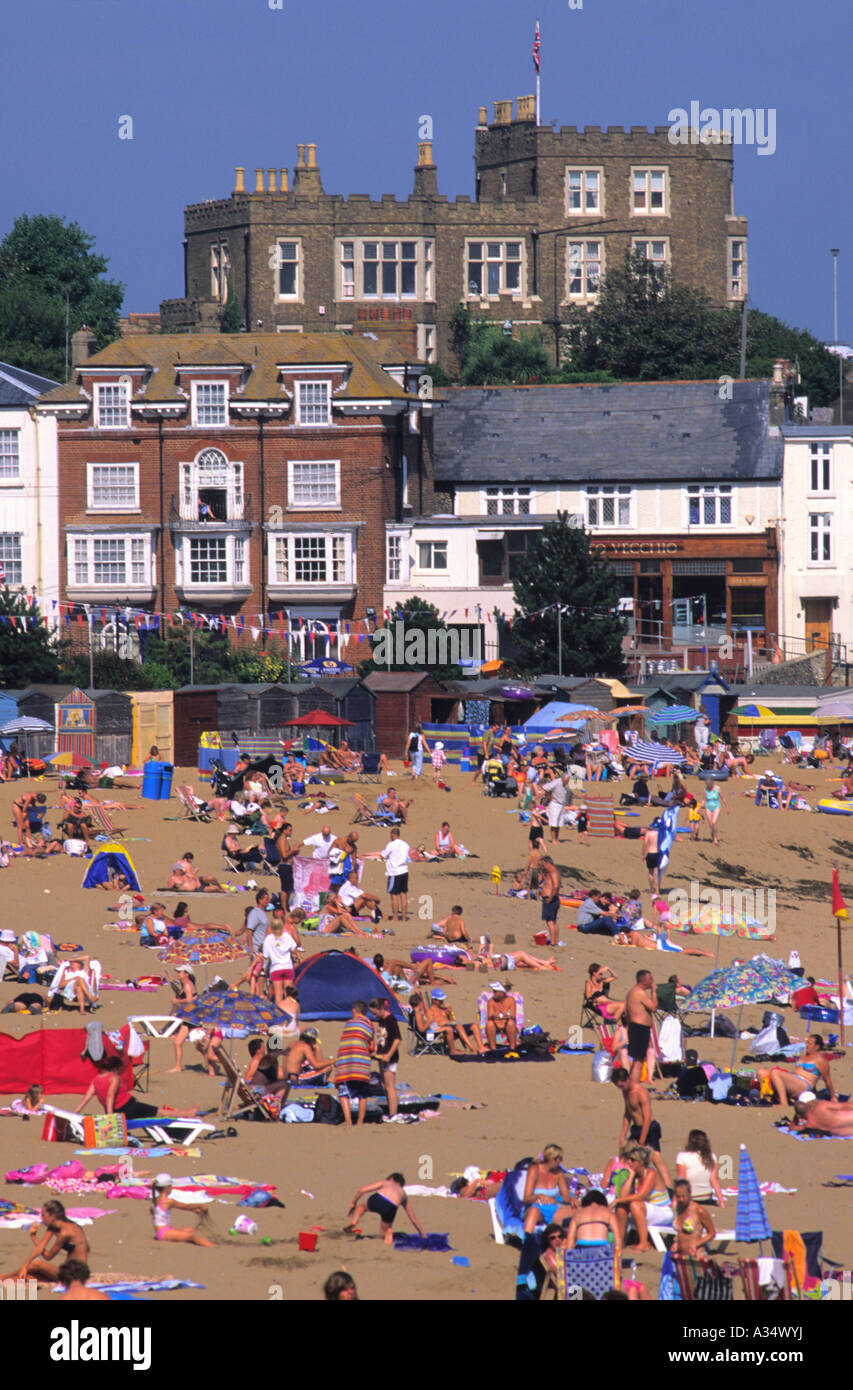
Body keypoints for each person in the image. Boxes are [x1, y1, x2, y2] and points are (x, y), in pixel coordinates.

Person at [0, 1201, 90, 1284]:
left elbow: (48, 1256)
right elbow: (40, 1247)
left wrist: (26, 1266)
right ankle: (5, 1281)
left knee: (37, 1264)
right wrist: (33, 1237)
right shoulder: (53, 1226)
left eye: (43, 1215)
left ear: (52, 1216)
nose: (41, 1218)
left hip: (76, 1274)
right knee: (30, 1277)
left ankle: (3, 1278)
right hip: (65, 1269)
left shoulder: (65, 1232)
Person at [610, 1145, 672, 1253]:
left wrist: (616, 1200)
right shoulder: (635, 1175)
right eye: (629, 1159)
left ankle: (643, 1243)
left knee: (634, 1203)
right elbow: (623, 1196)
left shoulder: (651, 1174)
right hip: (646, 1209)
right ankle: (620, 1241)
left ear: (641, 1162)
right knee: (621, 1207)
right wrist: (630, 1176)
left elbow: (640, 1196)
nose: (629, 1162)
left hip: (662, 1211)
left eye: (632, 1160)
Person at [74, 1054, 162, 1122]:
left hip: (118, 1110)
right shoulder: (114, 1077)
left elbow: (87, 1097)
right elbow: (110, 1096)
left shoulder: (96, 1079)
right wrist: (110, 1116)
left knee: (150, 1113)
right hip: (127, 1106)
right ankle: (176, 1116)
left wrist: (75, 1112)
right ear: (116, 1068)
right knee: (158, 1112)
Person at [757, 1033, 836, 1105]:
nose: (807, 1045)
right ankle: (773, 1095)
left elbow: (827, 1080)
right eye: (806, 1042)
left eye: (810, 1043)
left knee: (775, 1072)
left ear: (817, 1046)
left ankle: (783, 1103)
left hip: (804, 1085)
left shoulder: (820, 1060)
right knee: (761, 1072)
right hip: (794, 1080)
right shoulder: (803, 1054)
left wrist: (833, 1097)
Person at [346, 1172, 425, 1245]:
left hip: (378, 1199)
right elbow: (413, 1218)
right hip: (391, 1207)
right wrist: (423, 1235)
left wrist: (354, 1203)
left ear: (391, 1178)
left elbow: (362, 1190)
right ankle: (388, 1236)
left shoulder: (386, 1182)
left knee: (362, 1207)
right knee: (385, 1231)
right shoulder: (403, 1193)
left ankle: (355, 1220)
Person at [334, 1000, 374, 1126]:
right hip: (361, 1063)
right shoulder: (369, 1024)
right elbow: (372, 1047)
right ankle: (360, 1122)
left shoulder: (349, 1024)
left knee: (343, 1092)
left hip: (346, 1062)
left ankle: (348, 1119)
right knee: (362, 1094)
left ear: (354, 1011)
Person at [522, 1145, 577, 1232]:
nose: (561, 1161)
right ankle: (527, 1238)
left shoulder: (558, 1172)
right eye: (560, 1159)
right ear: (553, 1159)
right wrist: (539, 1196)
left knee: (579, 1210)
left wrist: (571, 1200)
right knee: (533, 1212)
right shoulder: (535, 1169)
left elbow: (565, 1196)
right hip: (537, 1207)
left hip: (554, 1208)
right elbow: (526, 1198)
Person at [150, 1174, 216, 1246]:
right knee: (191, 1236)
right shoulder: (168, 1201)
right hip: (164, 1233)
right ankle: (212, 1246)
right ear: (167, 1187)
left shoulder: (156, 1199)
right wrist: (200, 1205)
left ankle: (209, 1241)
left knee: (192, 1229)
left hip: (165, 1230)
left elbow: (159, 1213)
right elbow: (185, 1206)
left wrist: (194, 1210)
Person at [412, 990, 483, 1054]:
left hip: (454, 1027)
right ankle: (473, 1049)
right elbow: (431, 1025)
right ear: (434, 1000)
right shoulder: (429, 1011)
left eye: (442, 1000)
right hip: (444, 1030)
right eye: (440, 1000)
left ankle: (481, 1048)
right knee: (458, 1026)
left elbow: (452, 1021)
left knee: (475, 1025)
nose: (442, 1002)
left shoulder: (444, 1009)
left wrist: (450, 1013)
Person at [611, 1066, 662, 1151]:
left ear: (628, 1079)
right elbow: (628, 1113)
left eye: (621, 1086)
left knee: (655, 1158)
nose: (620, 1089)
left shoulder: (640, 1092)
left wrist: (641, 1142)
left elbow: (647, 1118)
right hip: (636, 1128)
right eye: (618, 1086)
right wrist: (622, 1137)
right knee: (629, 1156)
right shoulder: (625, 1091)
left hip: (649, 1129)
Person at [371, 996, 401, 1122]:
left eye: (374, 1012)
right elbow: (381, 1039)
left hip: (390, 1057)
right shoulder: (381, 1021)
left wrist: (388, 1054)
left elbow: (397, 1039)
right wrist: (376, 1052)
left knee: (390, 1086)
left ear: (381, 1008)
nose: (374, 1015)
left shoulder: (391, 1020)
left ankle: (393, 1114)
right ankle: (390, 1112)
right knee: (384, 1085)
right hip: (381, 1057)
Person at [625, 969, 657, 1083]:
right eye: (650, 979)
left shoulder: (633, 991)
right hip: (639, 1028)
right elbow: (653, 1007)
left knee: (638, 1059)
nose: (653, 981)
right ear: (644, 980)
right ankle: (635, 1085)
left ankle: (634, 1084)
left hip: (637, 1027)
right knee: (638, 1060)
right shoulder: (638, 992)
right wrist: (654, 992)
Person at [676, 1130, 724, 1206]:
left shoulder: (682, 1156)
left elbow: (682, 1180)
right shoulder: (711, 1156)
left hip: (690, 1198)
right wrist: (721, 1201)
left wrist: (675, 1201)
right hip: (706, 1197)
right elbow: (714, 1180)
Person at [262, 915, 299, 1009]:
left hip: (275, 968)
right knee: (289, 995)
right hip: (287, 967)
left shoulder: (268, 939)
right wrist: (296, 957)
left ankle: (280, 1016)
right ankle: (290, 1012)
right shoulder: (287, 936)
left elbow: (265, 957)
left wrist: (264, 968)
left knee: (278, 997)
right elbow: (294, 949)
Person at [672, 1180, 716, 1256]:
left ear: (689, 1194)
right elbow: (682, 1233)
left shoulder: (699, 1211)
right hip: (681, 1254)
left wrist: (696, 1245)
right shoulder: (679, 1208)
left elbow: (712, 1233)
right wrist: (677, 1244)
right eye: (678, 1196)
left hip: (696, 1253)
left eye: (683, 1196)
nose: (681, 1199)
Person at [381, 826, 411, 923]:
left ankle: (395, 917)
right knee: (403, 894)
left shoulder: (391, 845)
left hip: (394, 872)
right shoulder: (405, 844)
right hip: (404, 871)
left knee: (394, 895)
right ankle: (403, 918)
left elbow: (383, 855)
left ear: (393, 835)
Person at [485, 981, 518, 1050]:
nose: (493, 992)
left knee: (511, 1023)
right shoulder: (491, 1001)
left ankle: (512, 1048)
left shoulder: (510, 1000)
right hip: (496, 1023)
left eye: (495, 991)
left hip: (507, 1023)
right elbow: (489, 1016)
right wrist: (494, 1015)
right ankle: (493, 1049)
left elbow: (513, 1016)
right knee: (489, 1024)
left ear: (502, 992)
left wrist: (507, 1016)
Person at [538, 855, 562, 948]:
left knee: (550, 921)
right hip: (551, 897)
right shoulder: (549, 872)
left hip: (550, 898)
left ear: (548, 863)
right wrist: (542, 871)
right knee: (553, 921)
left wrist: (551, 897)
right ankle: (555, 941)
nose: (542, 866)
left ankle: (553, 942)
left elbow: (555, 886)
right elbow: (540, 881)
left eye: (543, 864)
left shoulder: (553, 872)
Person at [543, 771, 571, 845]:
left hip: (561, 805)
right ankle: (553, 839)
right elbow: (546, 787)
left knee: (558, 823)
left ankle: (556, 838)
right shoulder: (556, 782)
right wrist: (549, 795)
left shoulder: (564, 785)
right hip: (555, 804)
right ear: (564, 778)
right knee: (554, 823)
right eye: (568, 779)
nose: (569, 781)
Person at [703, 781, 729, 845]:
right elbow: (704, 800)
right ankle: (713, 835)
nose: (709, 786)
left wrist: (727, 807)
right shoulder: (705, 789)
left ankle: (715, 838)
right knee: (710, 824)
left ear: (712, 784)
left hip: (716, 806)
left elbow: (723, 798)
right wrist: (699, 807)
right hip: (708, 807)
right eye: (707, 785)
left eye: (710, 785)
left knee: (714, 822)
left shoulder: (717, 788)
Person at [640, 823, 662, 894]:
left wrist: (643, 854)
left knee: (650, 872)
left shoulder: (648, 833)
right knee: (657, 872)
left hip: (650, 853)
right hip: (658, 853)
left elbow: (645, 844)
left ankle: (652, 888)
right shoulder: (660, 833)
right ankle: (657, 890)